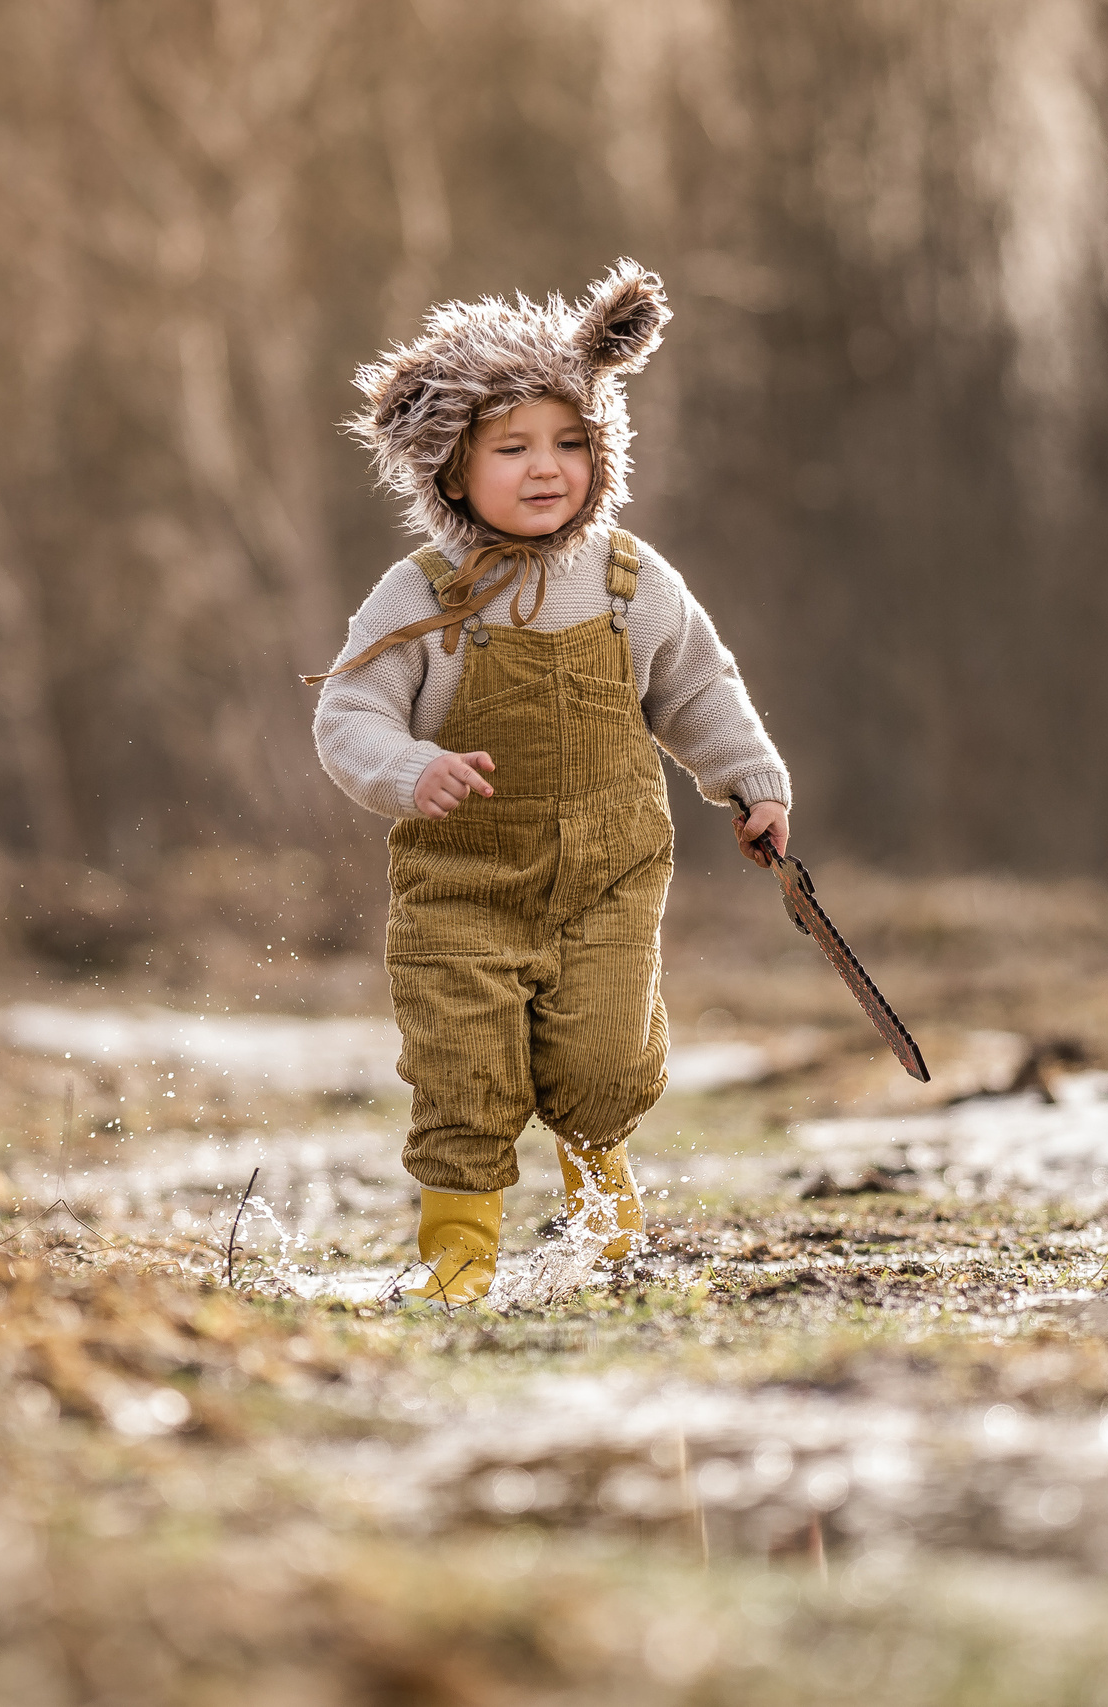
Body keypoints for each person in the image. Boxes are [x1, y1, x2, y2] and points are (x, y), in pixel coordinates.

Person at [311, 260, 790, 1306]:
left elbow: (697, 687)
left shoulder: (630, 580)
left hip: (609, 884)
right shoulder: (424, 595)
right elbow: (347, 713)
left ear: (603, 450)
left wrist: (747, 781)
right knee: (463, 1079)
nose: (547, 468)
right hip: (462, 892)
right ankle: (458, 1257)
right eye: (512, 447)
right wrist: (407, 766)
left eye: (570, 443)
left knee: (606, 1067)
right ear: (447, 468)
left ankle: (603, 1222)